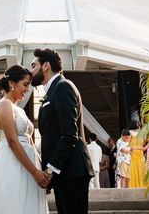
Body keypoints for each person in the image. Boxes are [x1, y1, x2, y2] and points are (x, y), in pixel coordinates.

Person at [31, 48, 94, 214]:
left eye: (34, 66)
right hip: (64, 173)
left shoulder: (63, 87)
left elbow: (69, 135)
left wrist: (50, 171)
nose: (32, 71)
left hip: (72, 171)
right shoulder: (54, 90)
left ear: (46, 66)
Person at [0, 65, 49, 214]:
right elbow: (12, 140)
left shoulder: (18, 109)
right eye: (25, 84)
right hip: (11, 162)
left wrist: (41, 170)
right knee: (13, 205)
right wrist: (35, 172)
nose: (27, 89)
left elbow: (28, 140)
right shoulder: (5, 104)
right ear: (12, 83)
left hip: (28, 164)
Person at [129, 120, 148, 188]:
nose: (139, 125)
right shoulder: (130, 133)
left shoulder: (141, 133)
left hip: (140, 155)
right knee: (134, 171)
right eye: (138, 124)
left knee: (141, 171)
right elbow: (127, 144)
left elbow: (143, 144)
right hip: (133, 155)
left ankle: (142, 186)